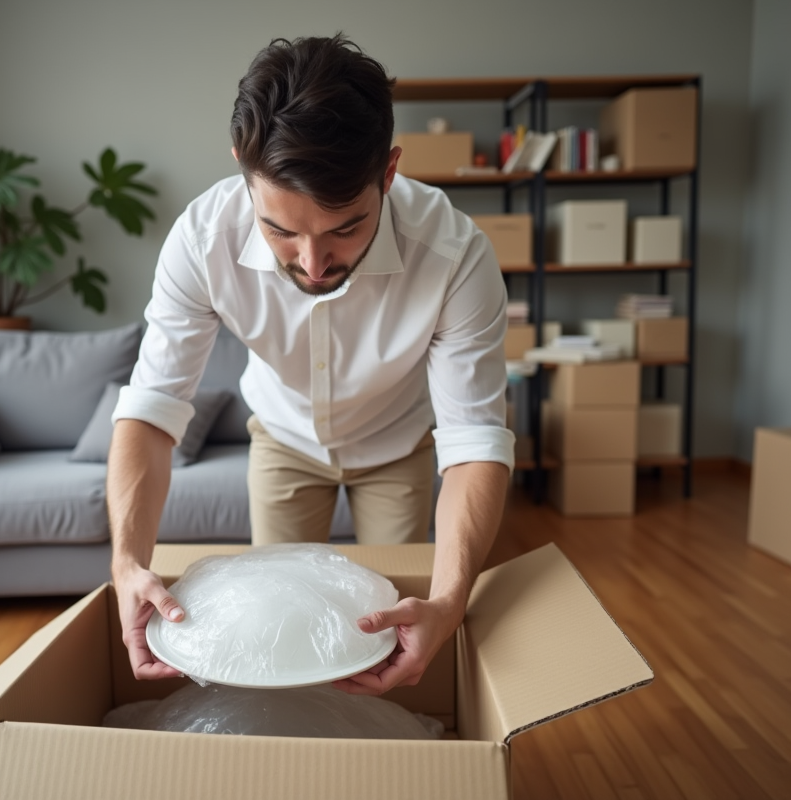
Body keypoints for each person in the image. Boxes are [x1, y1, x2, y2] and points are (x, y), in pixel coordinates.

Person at [107, 33, 514, 697]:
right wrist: (126, 564)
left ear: (388, 172)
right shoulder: (201, 240)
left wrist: (449, 601)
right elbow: (152, 409)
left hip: (397, 442)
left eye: (345, 228)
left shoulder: (455, 256)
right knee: (275, 629)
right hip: (283, 437)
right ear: (243, 166)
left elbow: (474, 442)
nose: (313, 263)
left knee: (385, 627)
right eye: (281, 231)